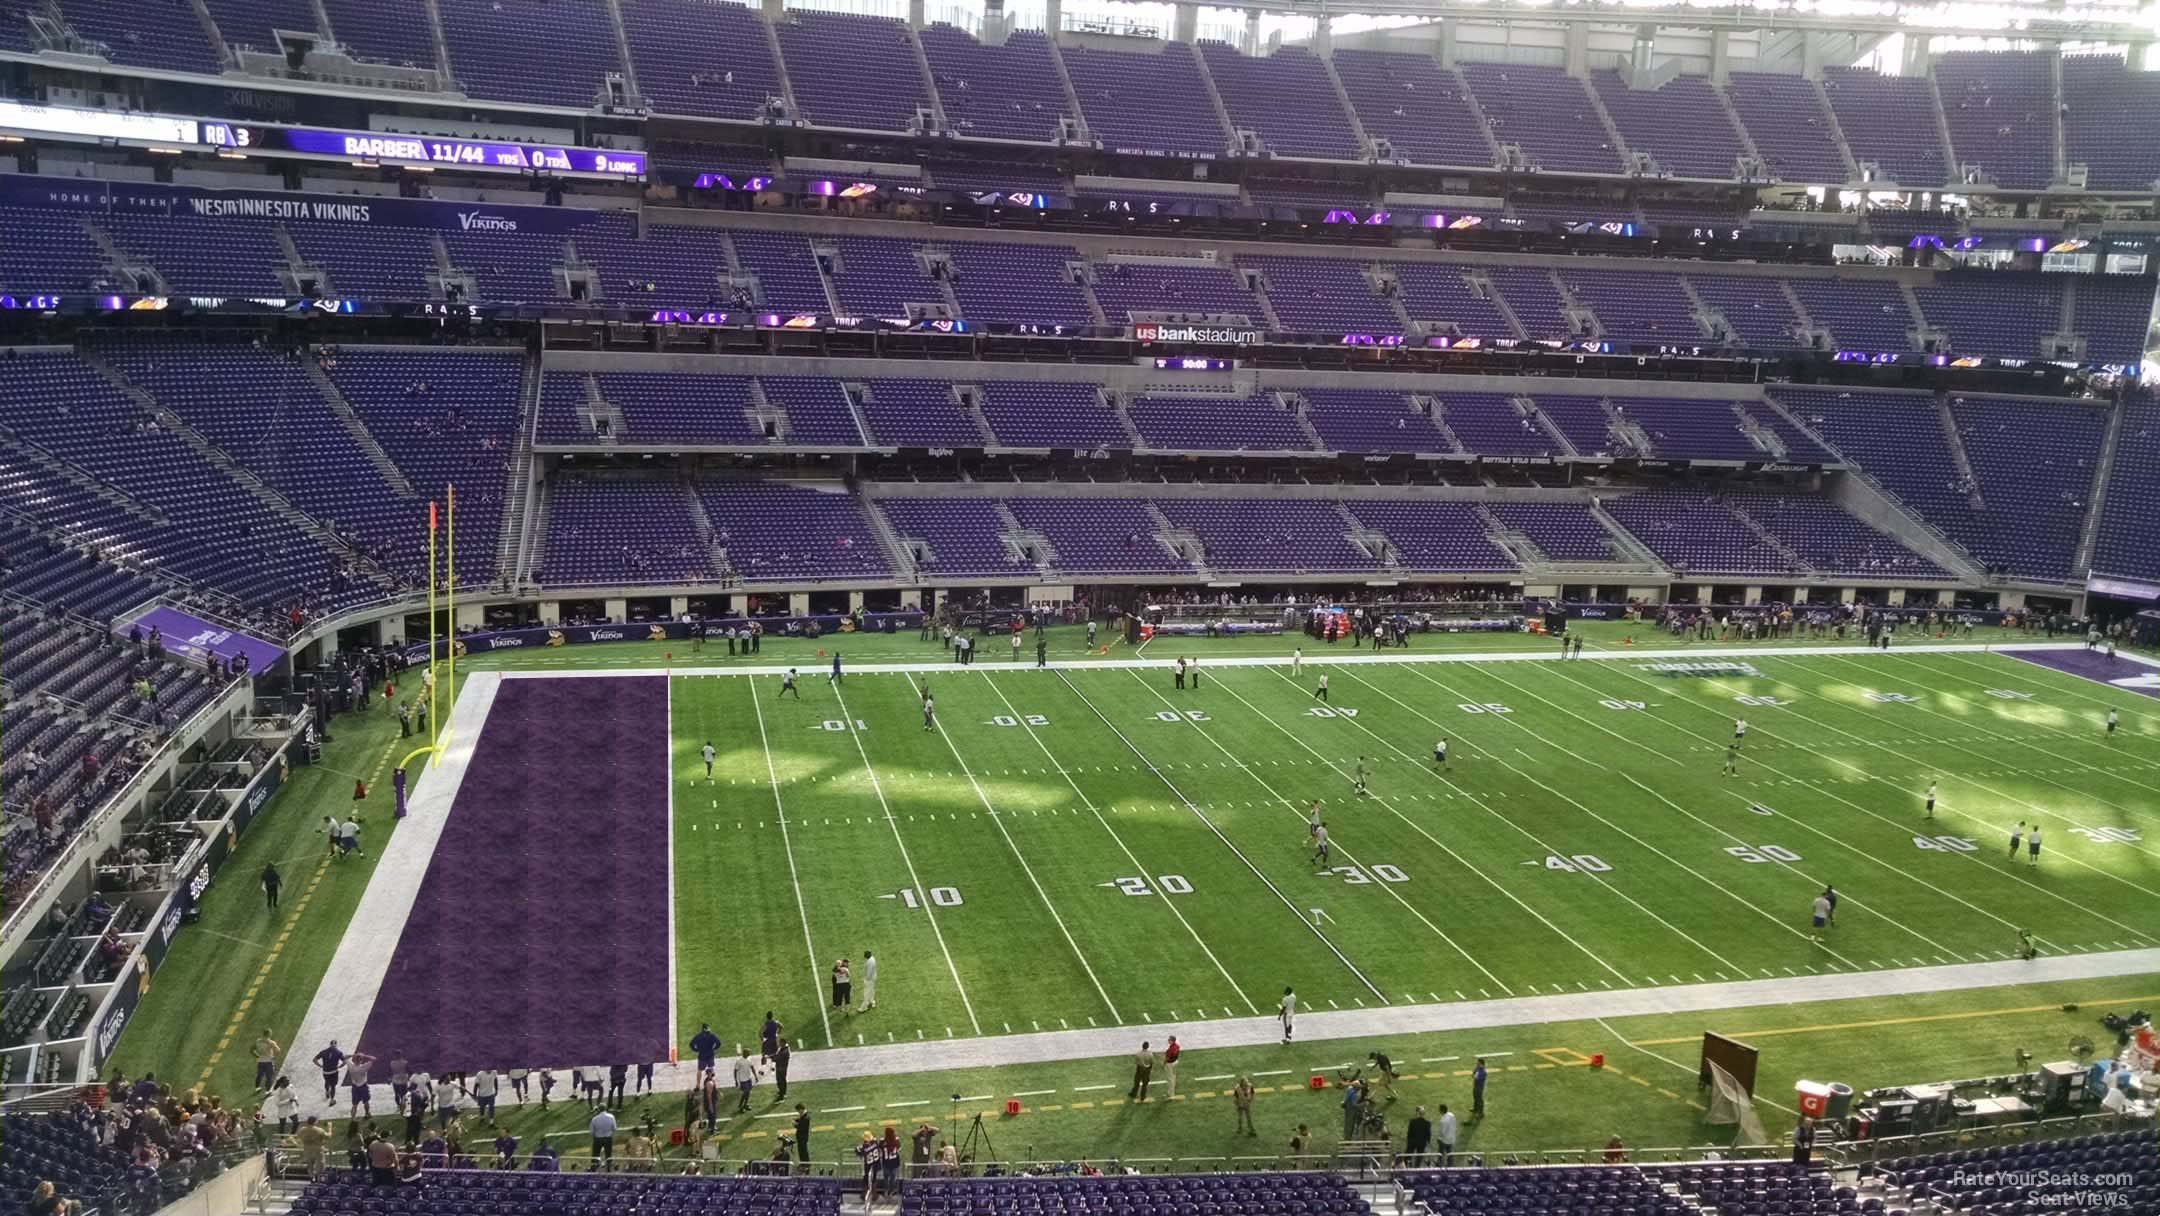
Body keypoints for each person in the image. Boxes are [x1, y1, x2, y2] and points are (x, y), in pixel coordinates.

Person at [793, 1104, 812, 1169]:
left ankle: (805, 1165)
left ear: (801, 1109)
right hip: (802, 1137)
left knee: (803, 1151)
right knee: (802, 1151)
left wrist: (795, 1124)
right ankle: (803, 1163)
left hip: (802, 1137)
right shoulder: (804, 1115)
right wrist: (796, 1120)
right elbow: (801, 1120)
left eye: (798, 1110)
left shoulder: (806, 1117)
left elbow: (801, 1127)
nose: (798, 1112)